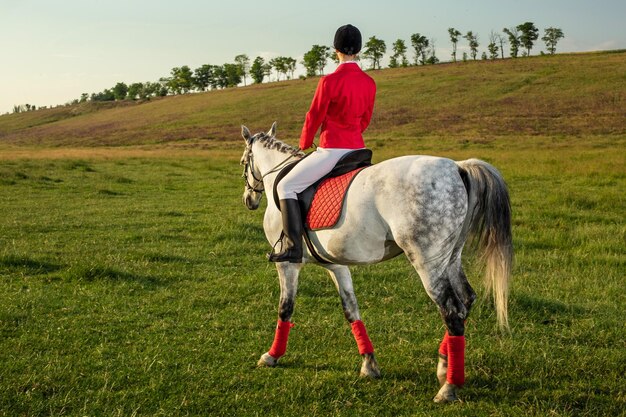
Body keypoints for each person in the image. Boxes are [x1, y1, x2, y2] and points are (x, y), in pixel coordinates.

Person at [268, 24, 377, 263]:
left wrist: (305, 141)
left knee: (286, 186)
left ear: (335, 49)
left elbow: (314, 115)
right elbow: (365, 119)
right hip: (358, 150)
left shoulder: (329, 81)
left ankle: (293, 248)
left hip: (332, 150)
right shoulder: (369, 82)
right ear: (359, 50)